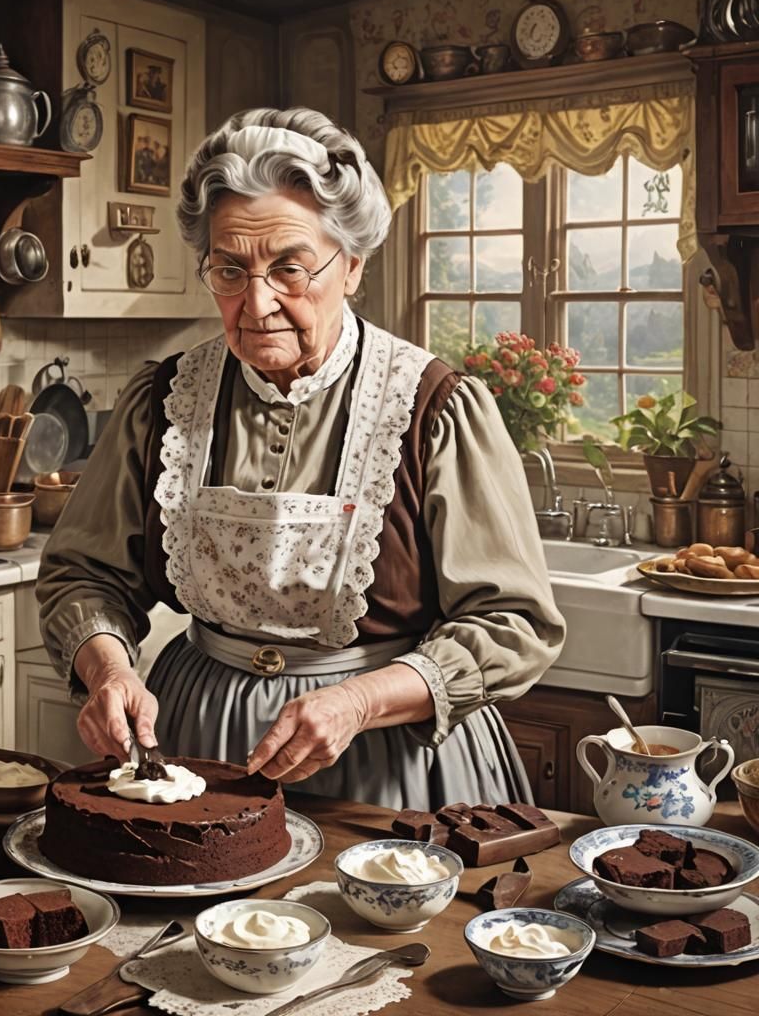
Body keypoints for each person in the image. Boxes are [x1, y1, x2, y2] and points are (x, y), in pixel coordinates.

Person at [37, 107, 565, 810]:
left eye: (289, 268)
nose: (256, 303)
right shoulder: (163, 399)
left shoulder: (435, 407)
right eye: (229, 269)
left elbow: (515, 625)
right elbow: (83, 574)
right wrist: (107, 670)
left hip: (391, 760)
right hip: (199, 743)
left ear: (351, 264)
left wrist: (358, 702)